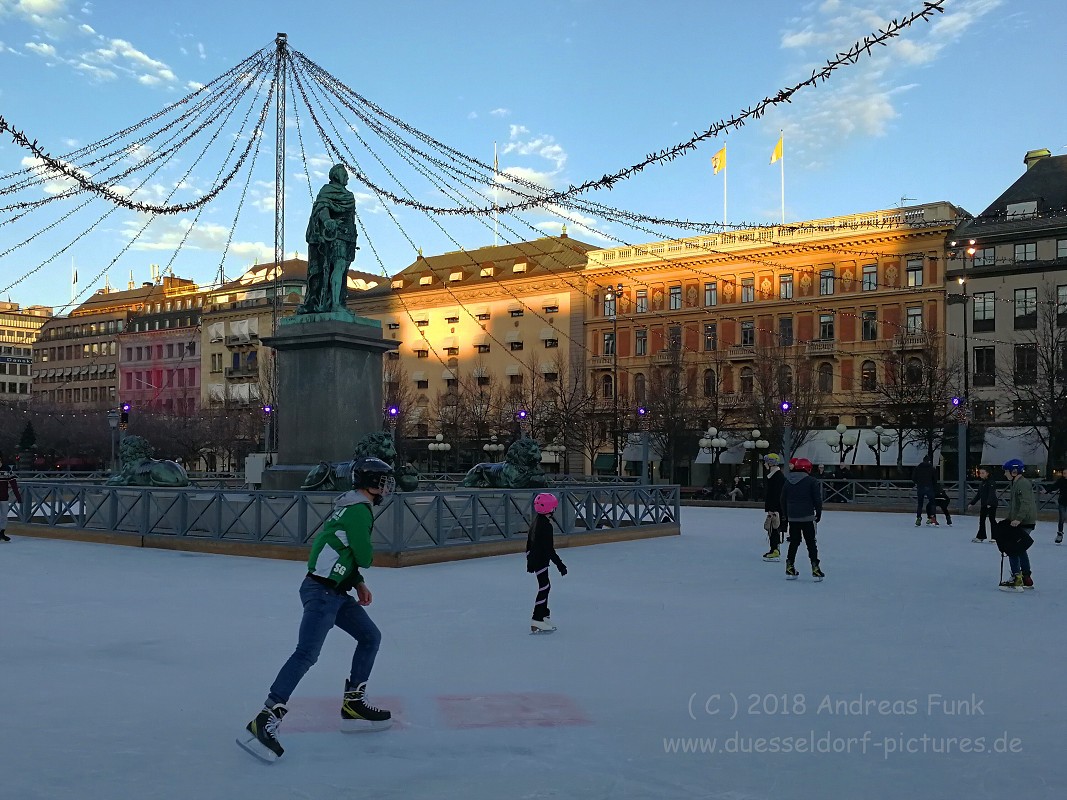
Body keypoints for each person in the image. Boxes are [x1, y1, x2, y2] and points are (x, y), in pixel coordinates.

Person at [238, 457, 396, 763]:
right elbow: (362, 554)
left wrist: (358, 582)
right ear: (373, 483)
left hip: (334, 589)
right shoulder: (359, 510)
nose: (389, 486)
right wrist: (362, 568)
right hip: (322, 592)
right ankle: (266, 717)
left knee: (369, 636)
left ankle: (353, 703)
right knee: (306, 653)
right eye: (386, 480)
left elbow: (339, 550)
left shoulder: (348, 505)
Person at [992, 459, 1037, 592]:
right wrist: (1009, 519)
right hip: (1021, 520)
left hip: (1024, 521)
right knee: (1021, 548)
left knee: (1013, 548)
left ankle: (1016, 577)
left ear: (1014, 471)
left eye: (1006, 471)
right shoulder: (1016, 483)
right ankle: (1026, 577)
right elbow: (1016, 505)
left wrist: (1018, 519)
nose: (1005, 474)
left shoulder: (1022, 484)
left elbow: (1025, 503)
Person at [527, 492, 567, 633]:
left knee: (546, 586)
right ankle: (537, 619)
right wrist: (560, 565)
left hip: (536, 559)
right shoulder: (546, 526)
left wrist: (529, 560)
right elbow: (549, 549)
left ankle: (543, 615)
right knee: (544, 587)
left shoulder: (537, 522)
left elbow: (529, 544)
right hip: (540, 560)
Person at [781, 457, 824, 581]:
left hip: (793, 517)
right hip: (807, 517)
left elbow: (782, 499)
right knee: (811, 542)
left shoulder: (788, 481)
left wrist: (786, 515)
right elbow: (817, 499)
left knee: (794, 542)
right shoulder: (811, 481)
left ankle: (790, 566)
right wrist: (818, 512)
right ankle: (815, 568)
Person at [761, 453, 787, 561]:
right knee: (773, 528)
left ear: (770, 463)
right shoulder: (775, 475)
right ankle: (774, 549)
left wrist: (772, 509)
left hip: (776, 509)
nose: (764, 464)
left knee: (774, 527)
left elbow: (776, 495)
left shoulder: (777, 477)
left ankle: (775, 550)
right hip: (776, 508)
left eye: (766, 461)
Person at [968, 467, 999, 543]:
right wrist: (972, 503)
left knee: (992, 520)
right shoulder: (982, 483)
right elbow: (978, 495)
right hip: (984, 504)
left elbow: (991, 493)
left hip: (991, 504)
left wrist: (989, 503)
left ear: (987, 473)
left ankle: (995, 537)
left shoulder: (991, 482)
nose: (981, 474)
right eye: (980, 473)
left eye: (983, 473)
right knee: (982, 520)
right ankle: (981, 536)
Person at [912, 455, 936, 527]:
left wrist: (918, 483)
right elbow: (935, 479)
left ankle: (918, 518)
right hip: (929, 487)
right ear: (929, 461)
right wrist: (932, 485)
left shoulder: (918, 468)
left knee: (920, 504)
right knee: (932, 503)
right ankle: (932, 517)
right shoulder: (932, 468)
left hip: (920, 487)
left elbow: (913, 477)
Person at [0, 464, 21, 542]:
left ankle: (2, 532)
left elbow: (14, 484)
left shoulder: (6, 469)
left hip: (4, 497)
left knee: (4, 516)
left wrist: (18, 497)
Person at [1046, 468, 1067, 544]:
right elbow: (1054, 486)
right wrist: (1047, 490)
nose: (1065, 475)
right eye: (1064, 473)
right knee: (1062, 519)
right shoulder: (1061, 481)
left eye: (1066, 473)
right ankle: (1060, 534)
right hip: (1062, 502)